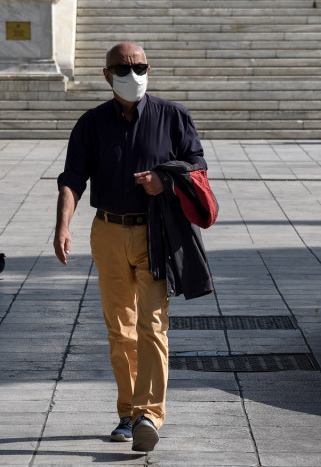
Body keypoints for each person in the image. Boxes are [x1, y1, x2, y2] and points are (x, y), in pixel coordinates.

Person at [53, 42, 213, 453]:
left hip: (154, 233)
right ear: (107, 75)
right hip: (107, 232)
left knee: (153, 325)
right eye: (124, 68)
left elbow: (196, 165)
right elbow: (72, 178)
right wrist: (62, 225)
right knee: (119, 330)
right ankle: (127, 411)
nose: (133, 73)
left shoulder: (172, 116)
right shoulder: (91, 124)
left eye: (140, 66)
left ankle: (149, 414)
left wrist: (165, 181)